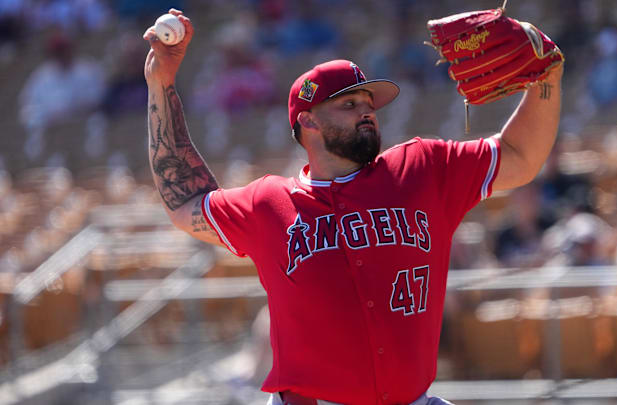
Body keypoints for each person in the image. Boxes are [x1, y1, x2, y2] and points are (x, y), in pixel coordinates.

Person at [143, 9, 563, 405]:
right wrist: (161, 85)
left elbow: (520, 156)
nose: (367, 113)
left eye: (369, 105)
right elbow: (184, 199)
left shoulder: (422, 169)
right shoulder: (269, 203)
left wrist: (547, 77)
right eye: (348, 105)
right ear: (307, 122)